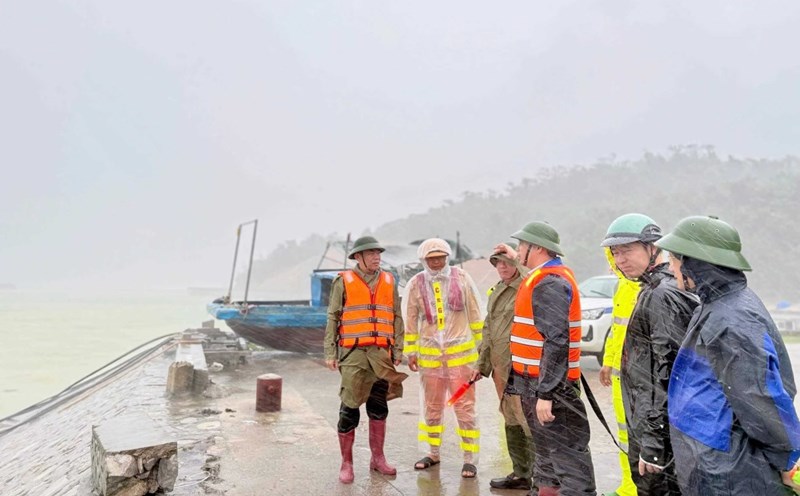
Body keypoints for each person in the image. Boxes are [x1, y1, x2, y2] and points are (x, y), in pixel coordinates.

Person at [655, 215, 800, 495]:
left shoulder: (731, 319)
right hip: (715, 456)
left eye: (673, 260)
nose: (670, 268)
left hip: (729, 466)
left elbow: (760, 398)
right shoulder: (717, 305)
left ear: (693, 264)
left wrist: (788, 459)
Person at [600, 213, 698, 495]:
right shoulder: (652, 288)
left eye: (627, 250)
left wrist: (654, 443)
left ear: (653, 247)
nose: (620, 260)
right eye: (616, 253)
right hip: (651, 425)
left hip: (660, 435)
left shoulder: (662, 294)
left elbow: (667, 374)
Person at [499, 221, 596, 496]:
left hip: (551, 387)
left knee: (568, 459)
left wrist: (547, 393)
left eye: (521, 246)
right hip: (535, 382)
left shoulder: (550, 283)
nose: (518, 252)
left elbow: (557, 341)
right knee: (547, 453)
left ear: (537, 248)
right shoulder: (542, 277)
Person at [323, 235, 408, 484]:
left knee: (379, 407)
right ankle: (346, 463)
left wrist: (398, 349)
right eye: (370, 253)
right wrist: (330, 352)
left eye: (378, 252)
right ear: (358, 257)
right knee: (349, 409)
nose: (376, 257)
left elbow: (396, 317)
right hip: (354, 356)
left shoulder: (389, 280)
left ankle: (378, 458)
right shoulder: (343, 281)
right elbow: (333, 317)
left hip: (381, 356)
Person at [403, 237, 485, 479]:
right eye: (431, 258)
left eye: (440, 257)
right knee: (431, 408)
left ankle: (470, 459)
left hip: (461, 359)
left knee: (465, 408)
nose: (437, 262)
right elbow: (410, 319)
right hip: (430, 361)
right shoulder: (416, 284)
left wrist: (482, 353)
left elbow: (476, 315)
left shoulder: (462, 278)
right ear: (424, 261)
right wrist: (411, 351)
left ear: (447, 257)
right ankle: (432, 452)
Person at [472, 247, 535, 491]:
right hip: (501, 369)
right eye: (497, 263)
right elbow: (488, 331)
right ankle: (521, 473)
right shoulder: (496, 291)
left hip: (521, 367)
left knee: (528, 421)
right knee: (510, 418)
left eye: (507, 262)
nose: (502, 267)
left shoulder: (526, 286)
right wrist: (482, 364)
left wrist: (518, 258)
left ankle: (541, 477)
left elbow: (533, 273)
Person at [597, 247, 641, 496]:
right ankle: (628, 486)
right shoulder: (622, 288)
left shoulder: (647, 290)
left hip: (638, 377)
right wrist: (608, 362)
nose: (617, 262)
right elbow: (617, 330)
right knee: (624, 434)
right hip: (619, 374)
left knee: (641, 436)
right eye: (614, 256)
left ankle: (639, 488)